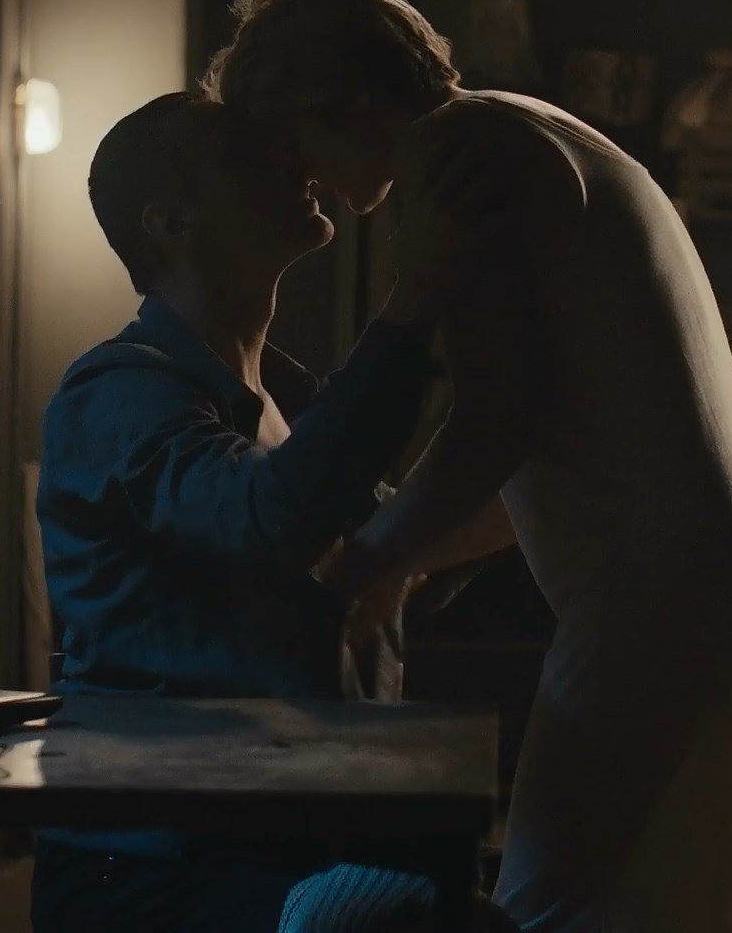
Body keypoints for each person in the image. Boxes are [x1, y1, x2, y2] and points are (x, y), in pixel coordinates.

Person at [205, 0, 732, 932]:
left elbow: (494, 422)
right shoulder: (525, 124)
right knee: (670, 899)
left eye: (296, 144)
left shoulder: (457, 154)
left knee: (556, 900)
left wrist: (361, 568)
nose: (306, 179)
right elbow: (546, 447)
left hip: (659, 595)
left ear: (342, 98)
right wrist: (414, 560)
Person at [33, 92, 512, 932]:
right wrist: (416, 294)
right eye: (246, 156)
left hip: (286, 846)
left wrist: (559, 486)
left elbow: (395, 550)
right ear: (171, 223)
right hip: (158, 877)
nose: (291, 161)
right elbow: (271, 521)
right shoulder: (117, 391)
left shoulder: (281, 398)